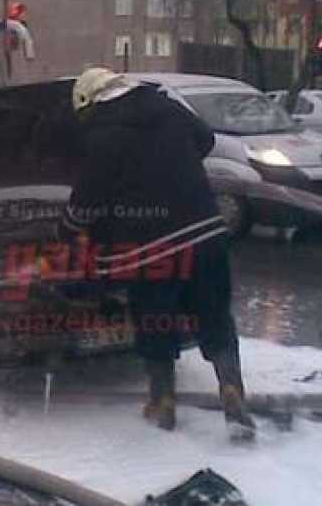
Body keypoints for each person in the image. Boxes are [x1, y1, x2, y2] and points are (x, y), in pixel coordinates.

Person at [60, 67, 256, 440]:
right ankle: (232, 390)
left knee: (155, 317)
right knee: (214, 311)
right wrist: (172, 168)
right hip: (206, 232)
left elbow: (87, 200)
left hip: (149, 249)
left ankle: (162, 401)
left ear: (89, 103)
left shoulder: (101, 135)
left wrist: (66, 229)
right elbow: (205, 140)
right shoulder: (167, 108)